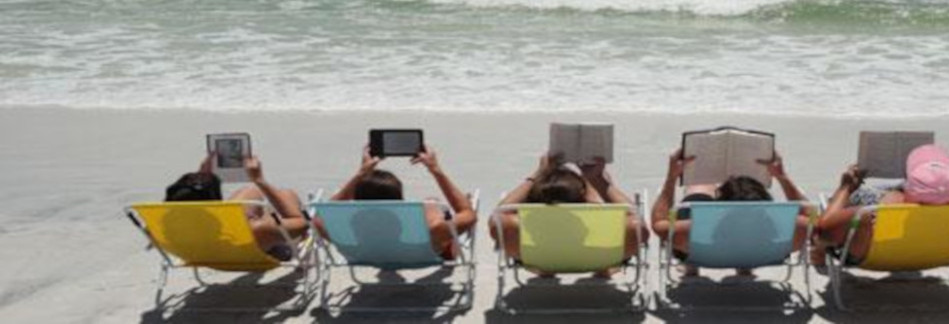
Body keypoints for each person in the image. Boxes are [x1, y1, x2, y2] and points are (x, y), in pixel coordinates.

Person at [815, 144, 949, 266]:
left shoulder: (870, 212)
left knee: (854, 198)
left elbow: (822, 233)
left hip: (875, 258)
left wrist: (845, 188)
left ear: (909, 187)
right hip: (941, 256)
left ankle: (816, 255)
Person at [650, 148, 814, 276]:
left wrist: (671, 178)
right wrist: (782, 177)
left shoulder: (693, 229)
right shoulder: (793, 227)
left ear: (719, 206)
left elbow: (658, 224)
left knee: (698, 189)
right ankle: (744, 266)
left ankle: (691, 265)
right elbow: (813, 215)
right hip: (762, 254)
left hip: (705, 254)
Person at [320, 145, 477, 260]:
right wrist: (436, 170)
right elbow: (469, 214)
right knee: (432, 206)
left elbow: (321, 214)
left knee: (429, 207)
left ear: (355, 197)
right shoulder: (431, 228)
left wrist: (361, 173)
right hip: (420, 252)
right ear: (400, 199)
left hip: (367, 253)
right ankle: (447, 245)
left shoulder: (341, 231)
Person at [491, 154, 645, 269]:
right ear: (583, 197)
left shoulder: (531, 221)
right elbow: (638, 222)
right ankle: (603, 270)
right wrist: (598, 181)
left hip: (538, 258)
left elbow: (498, 217)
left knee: (503, 223)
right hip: (598, 259)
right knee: (629, 225)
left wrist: (536, 175)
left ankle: (546, 271)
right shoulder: (599, 224)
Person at [164, 153, 309, 260]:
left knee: (250, 191)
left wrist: (203, 175)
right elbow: (301, 223)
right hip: (251, 243)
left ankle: (267, 230)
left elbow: (190, 203)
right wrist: (260, 180)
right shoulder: (258, 230)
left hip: (206, 247)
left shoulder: (164, 229)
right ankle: (278, 246)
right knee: (287, 194)